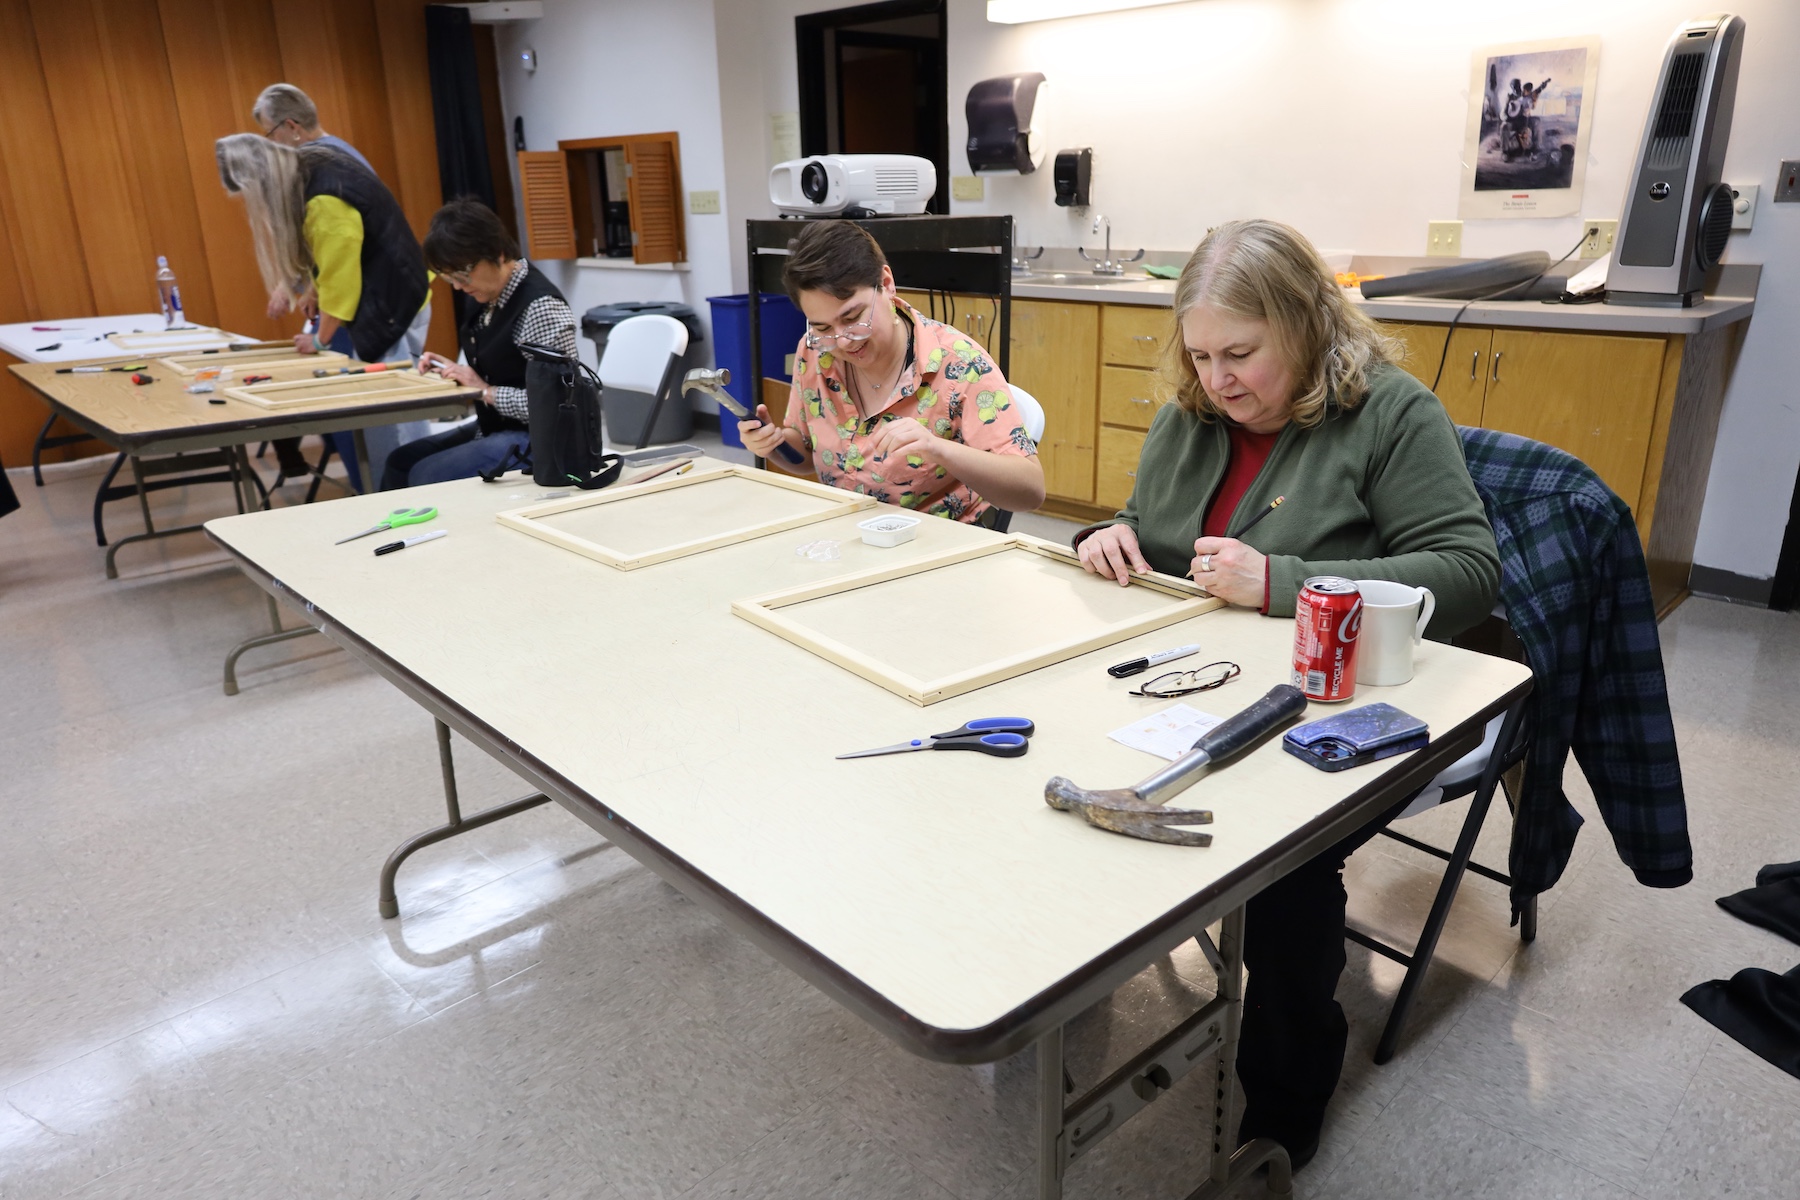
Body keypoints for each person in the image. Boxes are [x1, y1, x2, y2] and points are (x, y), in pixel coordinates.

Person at [1075, 219, 1500, 1169]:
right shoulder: (1190, 412)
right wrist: (1107, 535)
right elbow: (1150, 526)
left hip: (1350, 700)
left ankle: (1284, 1104)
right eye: (1199, 355)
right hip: (1207, 683)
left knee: (1282, 865)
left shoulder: (1390, 413)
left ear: (1307, 326)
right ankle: (1064, 985)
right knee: (1062, 764)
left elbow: (1471, 574)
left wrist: (1284, 581)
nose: (1218, 380)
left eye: (1240, 354)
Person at [738, 220, 1044, 523]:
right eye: (823, 327)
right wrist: (773, 444)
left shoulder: (960, 365)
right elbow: (807, 455)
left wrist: (939, 449)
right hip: (848, 530)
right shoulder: (815, 352)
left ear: (886, 284)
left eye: (853, 317)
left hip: (936, 540)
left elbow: (1030, 490)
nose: (842, 340)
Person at [215, 133, 433, 487]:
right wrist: (313, 290)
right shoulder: (314, 166)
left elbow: (342, 279)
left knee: (390, 424)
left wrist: (319, 339)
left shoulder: (322, 198)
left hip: (394, 306)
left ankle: (404, 495)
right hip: (389, 298)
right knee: (380, 422)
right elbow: (333, 258)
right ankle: (391, 490)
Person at [380, 199, 577, 489]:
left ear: (497, 253)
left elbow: (558, 403)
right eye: (449, 277)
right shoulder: (487, 294)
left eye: (462, 274)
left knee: (426, 475)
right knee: (400, 462)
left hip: (543, 439)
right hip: (498, 425)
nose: (458, 285)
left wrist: (485, 391)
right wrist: (458, 371)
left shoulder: (540, 307)